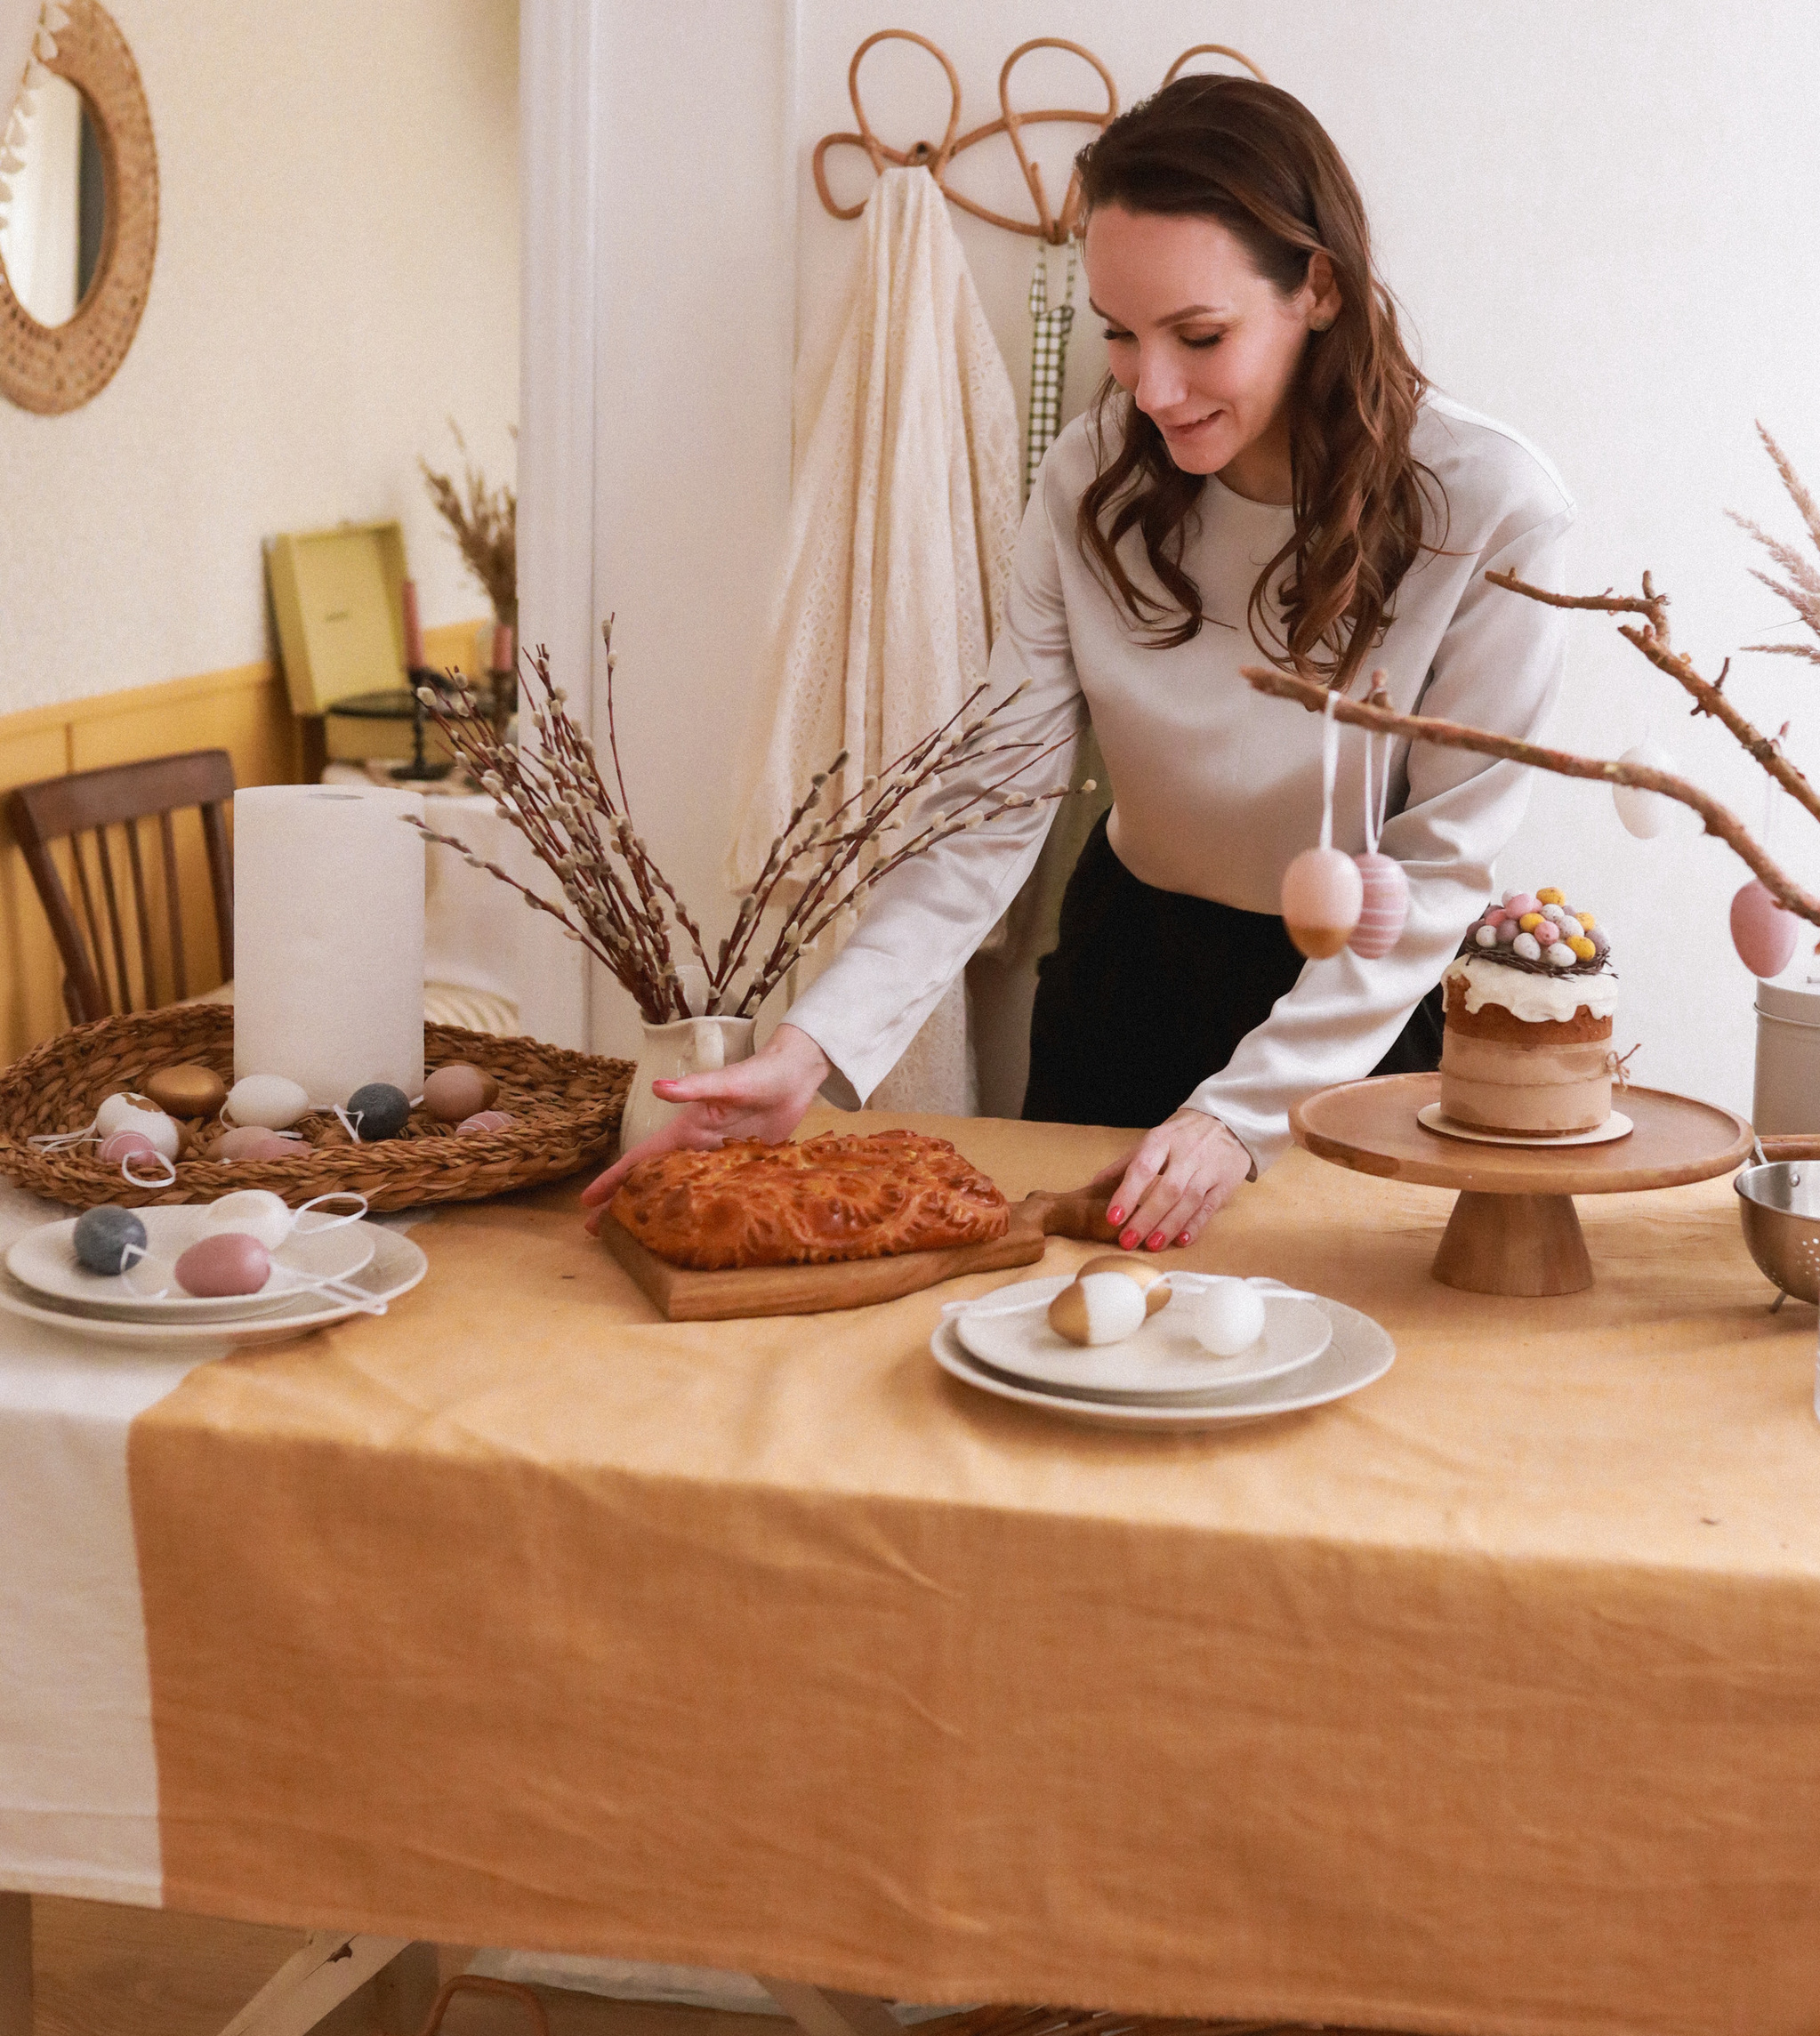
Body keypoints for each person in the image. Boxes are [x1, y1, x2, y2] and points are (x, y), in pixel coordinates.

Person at [584, 76, 1573, 1251]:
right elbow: (993, 803)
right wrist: (810, 1047)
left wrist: (1240, 1117)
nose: (1152, 389)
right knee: (1054, 1318)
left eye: (1198, 336)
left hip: (1362, 1008)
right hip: (1127, 973)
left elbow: (1441, 865)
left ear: (1319, 288)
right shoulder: (1090, 481)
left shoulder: (1490, 511)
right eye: (1119, 332)